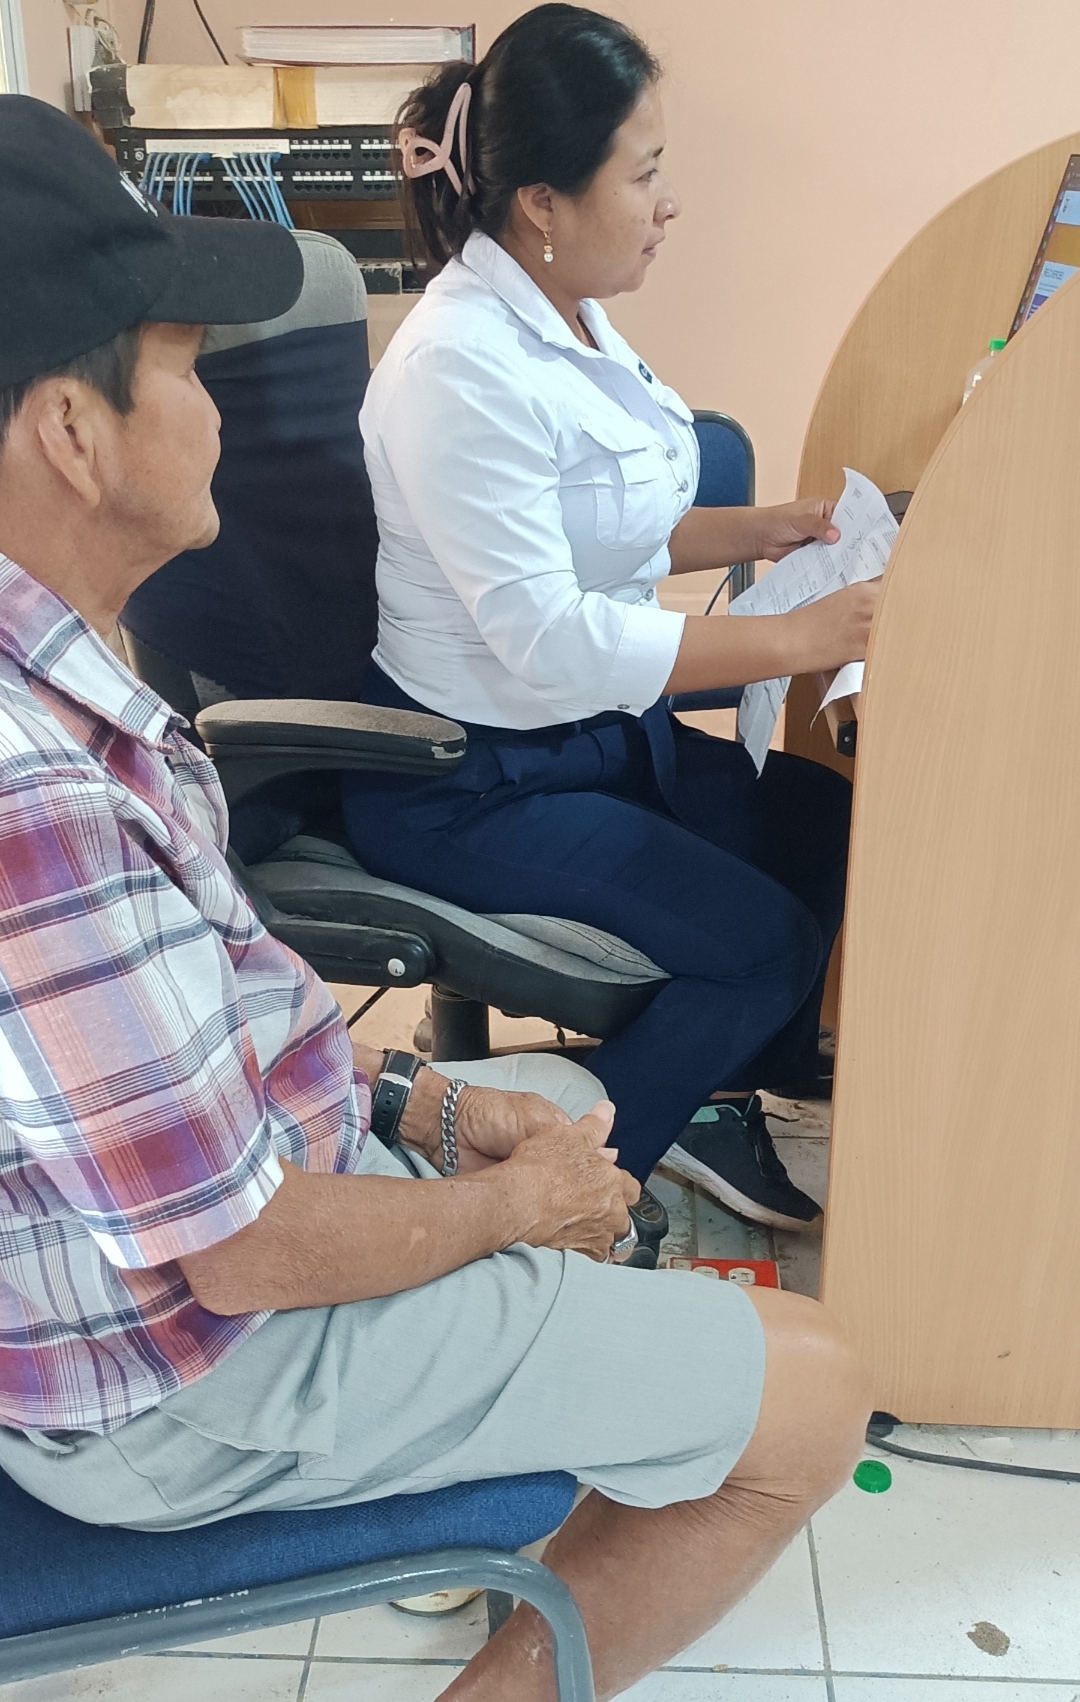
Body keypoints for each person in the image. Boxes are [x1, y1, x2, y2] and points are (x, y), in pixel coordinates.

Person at [0, 96, 872, 1702]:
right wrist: (510, 1208)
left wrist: (431, 1102)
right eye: (189, 365)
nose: (222, 411)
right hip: (181, 1382)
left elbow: (199, 1055)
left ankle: (547, 1390)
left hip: (199, 1243)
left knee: (574, 1116)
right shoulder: (36, 794)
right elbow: (241, 1252)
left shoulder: (68, 697)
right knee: (816, 1391)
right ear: (71, 428)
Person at [346, 3, 879, 1232]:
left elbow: (603, 535)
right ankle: (560, 1179)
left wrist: (762, 532)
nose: (668, 202)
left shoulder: (567, 310)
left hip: (583, 736)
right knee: (765, 943)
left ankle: (719, 1088)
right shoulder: (456, 368)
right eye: (643, 175)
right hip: (471, 779)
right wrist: (802, 639)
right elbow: (551, 634)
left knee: (827, 823)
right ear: (544, 201)